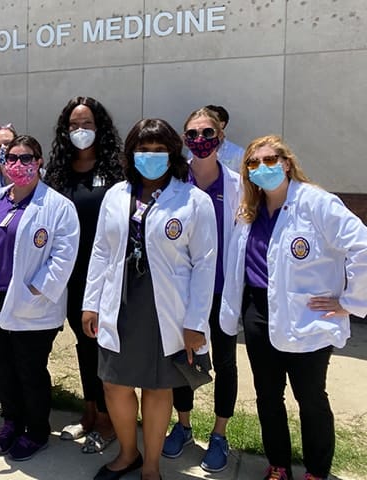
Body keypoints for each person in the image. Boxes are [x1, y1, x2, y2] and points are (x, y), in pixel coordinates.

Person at [219, 135, 367, 480]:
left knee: (311, 398)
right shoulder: (249, 209)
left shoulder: (316, 203)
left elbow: (362, 246)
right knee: (267, 397)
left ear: (286, 162)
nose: (261, 168)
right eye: (253, 164)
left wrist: (350, 301)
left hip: (308, 315)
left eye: (270, 160)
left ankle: (316, 471)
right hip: (258, 312)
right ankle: (279, 466)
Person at [82, 118, 217, 480]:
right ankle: (128, 455)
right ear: (131, 154)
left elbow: (205, 265)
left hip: (166, 310)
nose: (151, 157)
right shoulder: (115, 195)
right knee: (115, 383)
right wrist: (90, 301)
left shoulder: (193, 200)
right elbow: (101, 251)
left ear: (173, 153)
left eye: (159, 150)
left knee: (157, 387)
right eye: (143, 150)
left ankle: (152, 467)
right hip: (119, 302)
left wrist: (194, 323)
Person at [0, 134, 79, 461]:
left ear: (39, 161)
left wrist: (34, 290)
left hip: (33, 303)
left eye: (26, 158)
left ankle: (38, 430)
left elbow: (63, 256)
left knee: (30, 368)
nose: (18, 164)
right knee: (3, 366)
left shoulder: (57, 206)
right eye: (11, 158)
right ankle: (11, 420)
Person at [161, 107, 241, 471]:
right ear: (183, 139)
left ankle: (220, 434)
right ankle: (184, 426)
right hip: (183, 290)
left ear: (220, 136)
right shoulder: (175, 184)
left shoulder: (240, 186)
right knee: (182, 360)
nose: (201, 140)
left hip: (223, 291)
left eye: (208, 133)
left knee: (225, 363)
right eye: (193, 134)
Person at [43, 96, 123, 452]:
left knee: (101, 346)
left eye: (87, 124)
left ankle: (109, 421)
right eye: (73, 125)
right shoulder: (57, 174)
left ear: (99, 128)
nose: (80, 131)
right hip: (68, 276)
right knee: (83, 344)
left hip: (105, 277)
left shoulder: (117, 170)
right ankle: (89, 412)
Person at [203, 105, 245, 172]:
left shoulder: (238, 153)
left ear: (221, 124)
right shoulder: (194, 150)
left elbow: (244, 179)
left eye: (211, 120)